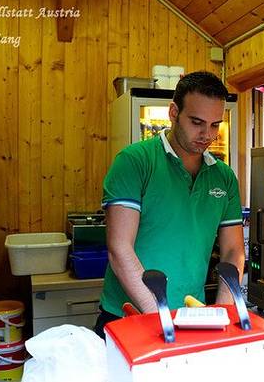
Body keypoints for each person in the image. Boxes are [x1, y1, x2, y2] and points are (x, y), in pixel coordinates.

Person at [93, 71, 245, 338]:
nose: (207, 135)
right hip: (128, 316)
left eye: (214, 125)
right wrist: (160, 317)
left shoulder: (224, 177)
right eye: (197, 122)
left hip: (190, 316)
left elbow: (233, 251)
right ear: (174, 113)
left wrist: (223, 312)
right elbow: (120, 249)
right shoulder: (135, 162)